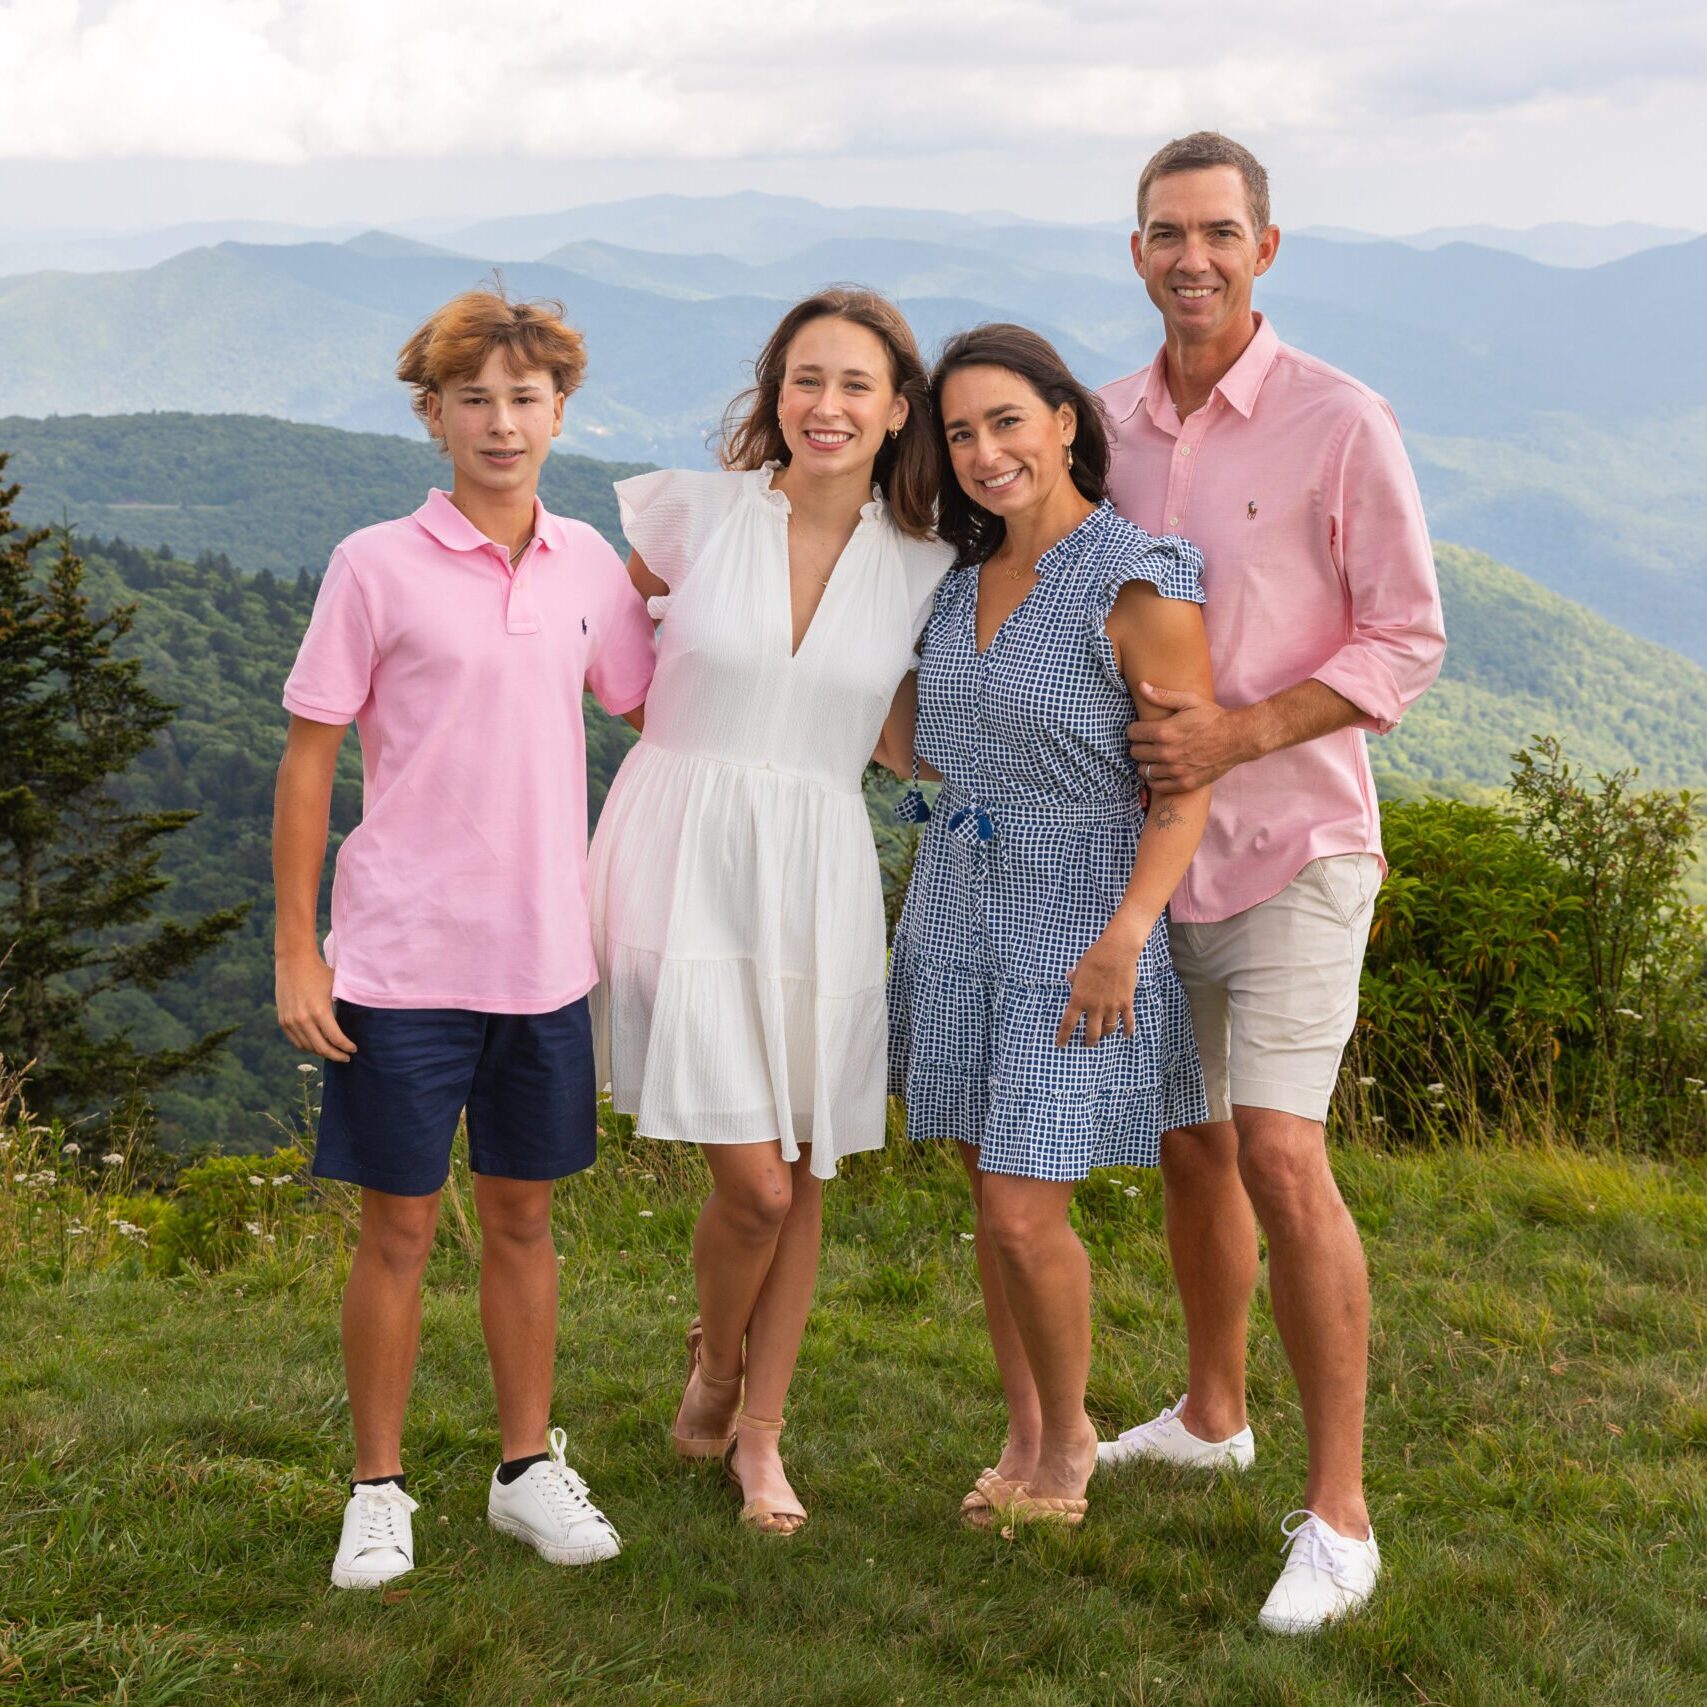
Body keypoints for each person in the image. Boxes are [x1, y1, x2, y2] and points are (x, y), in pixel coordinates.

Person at [1093, 132, 1446, 1633]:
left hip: (1298, 837)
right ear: (1135, 252)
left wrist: (1241, 728)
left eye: (1218, 232)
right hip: (1146, 852)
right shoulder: (1093, 424)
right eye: (1167, 232)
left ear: (1264, 247)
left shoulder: (1336, 418)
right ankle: (1212, 1410)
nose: (1192, 256)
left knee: (1278, 1153)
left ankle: (1339, 1512)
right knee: (1187, 1147)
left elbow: (1402, 638)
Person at [274, 288, 654, 1589]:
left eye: (524, 398)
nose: (501, 422)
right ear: (432, 415)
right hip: (395, 957)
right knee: (394, 1228)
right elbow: (310, 757)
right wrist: (296, 948)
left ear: (560, 411)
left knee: (524, 1218)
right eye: (474, 399)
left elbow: (656, 703)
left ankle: (523, 1469)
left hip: (545, 956)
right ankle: (376, 1488)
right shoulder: (372, 563)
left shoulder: (592, 562)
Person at [585, 288, 952, 1536]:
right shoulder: (694, 515)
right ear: (774, 394)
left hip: (816, 865)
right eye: (807, 380)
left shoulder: (925, 568)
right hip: (678, 849)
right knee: (755, 1186)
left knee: (803, 1170)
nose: (829, 406)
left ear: (900, 408)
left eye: (857, 385)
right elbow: (592, 648)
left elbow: (905, 739)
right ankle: (719, 1364)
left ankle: (761, 1439)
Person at [882, 323, 1214, 1530]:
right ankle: (1022, 1431)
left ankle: (1067, 1439)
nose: (983, 451)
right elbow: (916, 746)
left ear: (1067, 422)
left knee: (1027, 1208)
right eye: (960, 432)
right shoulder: (958, 583)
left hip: (1077, 922)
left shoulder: (1141, 577)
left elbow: (1185, 781)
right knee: (989, 1194)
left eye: (1005, 421)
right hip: (954, 906)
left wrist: (1129, 931)